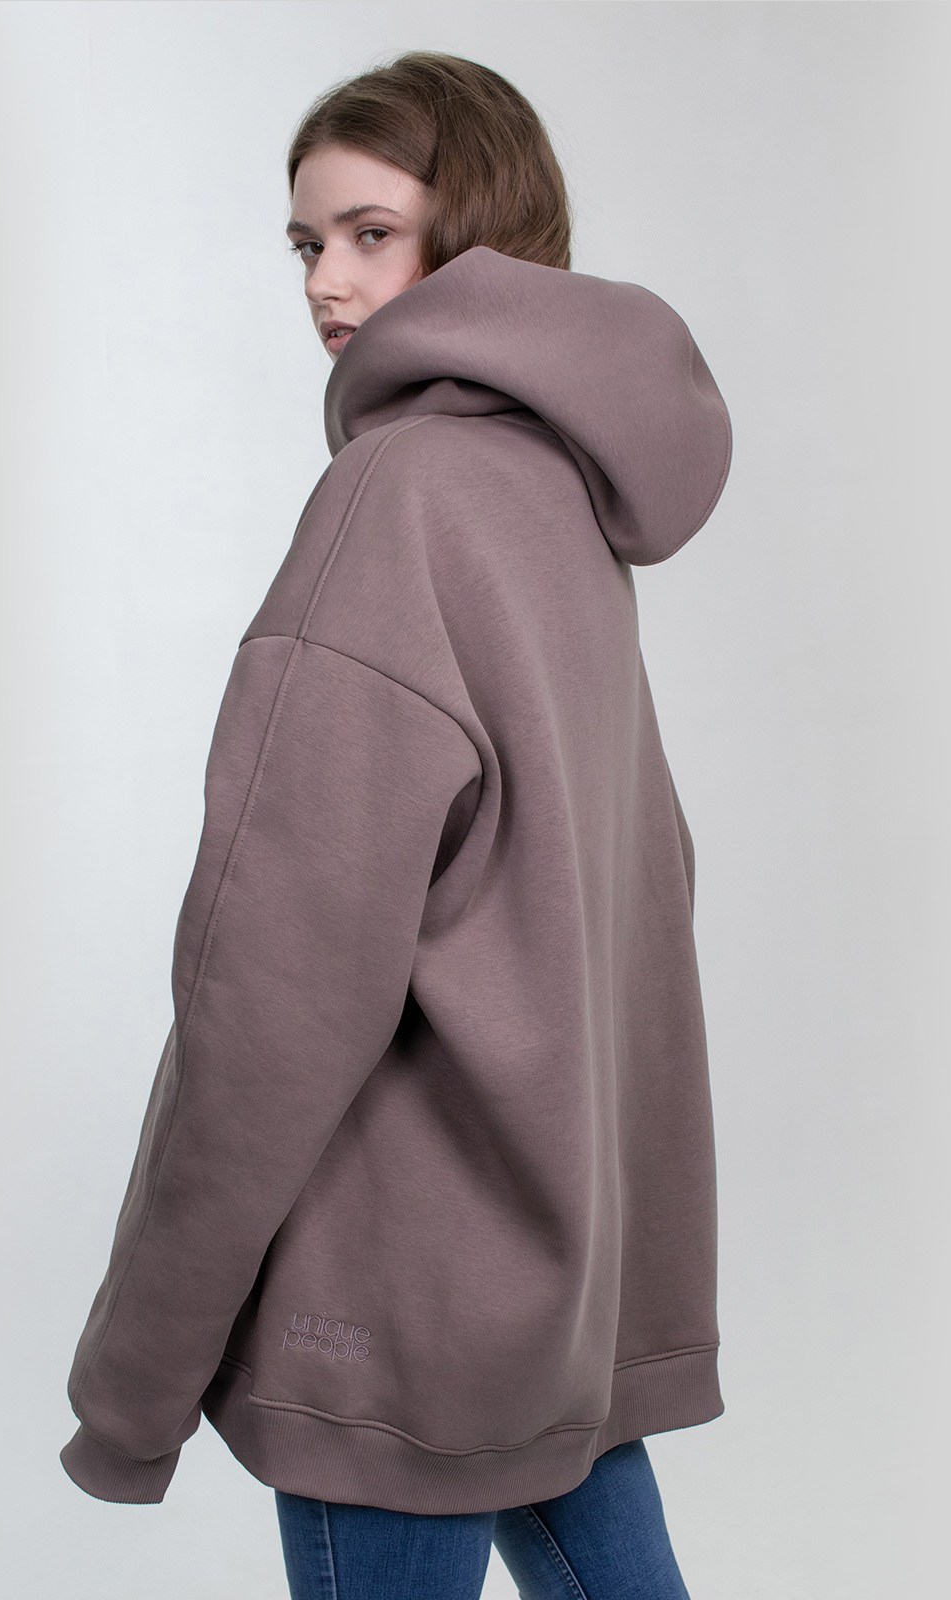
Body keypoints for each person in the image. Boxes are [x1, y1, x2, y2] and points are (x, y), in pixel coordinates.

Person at [59, 50, 732, 1600]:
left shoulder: (402, 495)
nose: (326, 281)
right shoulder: (557, 494)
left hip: (396, 1308)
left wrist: (135, 1377)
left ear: (478, 231)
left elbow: (275, 980)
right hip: (549, 1278)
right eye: (307, 242)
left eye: (372, 233)